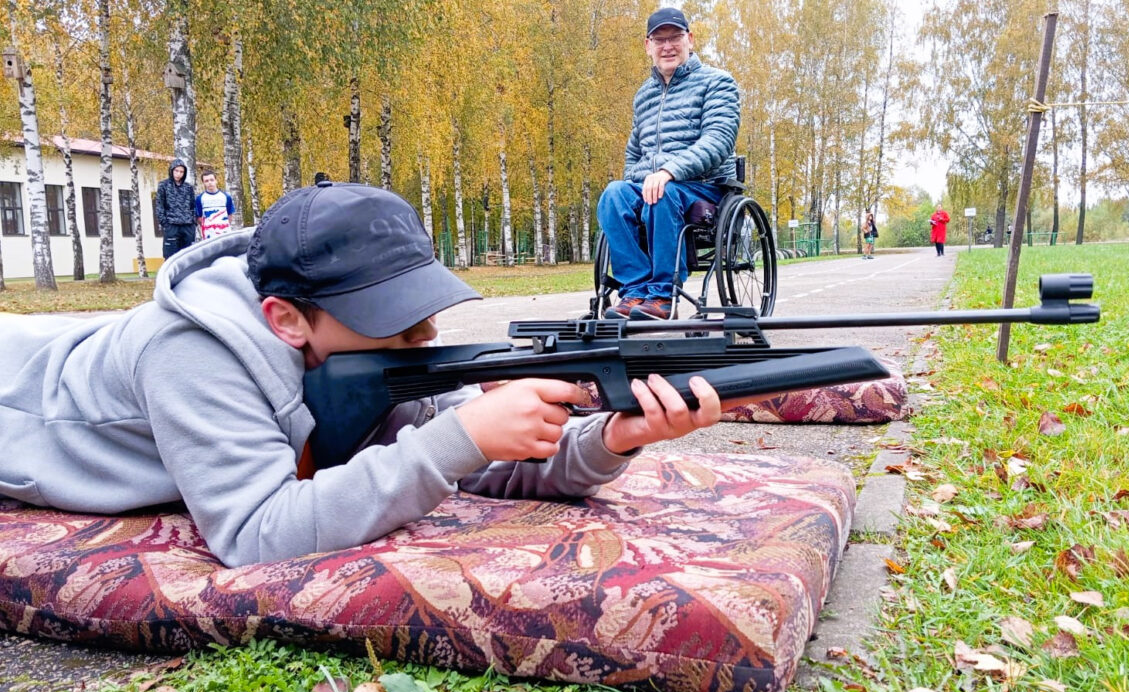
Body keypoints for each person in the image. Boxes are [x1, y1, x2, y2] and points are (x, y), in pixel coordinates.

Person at [0, 183, 727, 568]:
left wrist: (610, 438)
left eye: (422, 305)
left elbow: (486, 460)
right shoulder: (190, 351)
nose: (424, 335)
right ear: (288, 319)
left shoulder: (361, 351)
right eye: (392, 316)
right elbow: (255, 533)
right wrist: (456, 437)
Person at [596, 7, 740, 320]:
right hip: (655, 185)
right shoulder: (644, 95)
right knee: (613, 195)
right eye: (659, 40)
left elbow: (718, 141)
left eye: (674, 37)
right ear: (648, 46)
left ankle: (663, 296)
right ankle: (635, 291)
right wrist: (640, 179)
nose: (667, 46)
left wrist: (668, 171)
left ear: (690, 39)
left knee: (662, 193)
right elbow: (634, 153)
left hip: (703, 186)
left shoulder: (717, 82)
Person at [155, 158, 197, 259]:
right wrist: (165, 223)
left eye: (181, 172)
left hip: (187, 226)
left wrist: (193, 222)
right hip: (171, 226)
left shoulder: (188, 187)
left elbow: (193, 205)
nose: (178, 174)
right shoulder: (163, 185)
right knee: (170, 257)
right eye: (176, 171)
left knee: (188, 256)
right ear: (171, 170)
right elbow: (159, 205)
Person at [195, 169, 237, 240]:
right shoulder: (200, 198)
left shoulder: (226, 196)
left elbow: (230, 214)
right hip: (208, 234)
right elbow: (199, 217)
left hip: (224, 232)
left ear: (216, 180)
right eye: (206, 181)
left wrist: (223, 225)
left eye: (211, 180)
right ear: (203, 183)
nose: (209, 183)